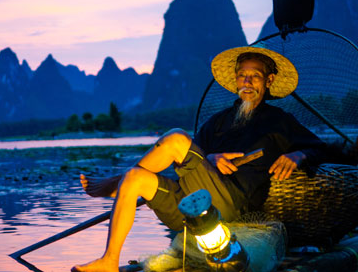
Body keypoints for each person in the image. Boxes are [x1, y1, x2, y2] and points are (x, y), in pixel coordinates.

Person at [71, 46, 326, 272]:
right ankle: (109, 260)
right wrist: (211, 158)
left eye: (255, 76)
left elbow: (327, 150)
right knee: (136, 177)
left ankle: (114, 182)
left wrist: (299, 153)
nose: (247, 81)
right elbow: (190, 160)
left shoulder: (279, 121)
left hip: (231, 204)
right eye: (242, 75)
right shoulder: (217, 122)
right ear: (236, 80)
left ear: (268, 80)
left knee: (176, 139)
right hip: (190, 206)